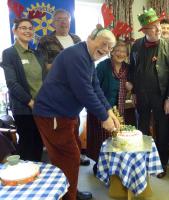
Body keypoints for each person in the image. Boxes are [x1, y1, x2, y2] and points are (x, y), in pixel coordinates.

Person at [33, 28, 120, 200]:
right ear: (90, 38)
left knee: (71, 155)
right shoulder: (76, 56)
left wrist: (109, 111)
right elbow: (84, 92)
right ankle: (67, 196)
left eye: (110, 48)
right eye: (104, 44)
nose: (106, 50)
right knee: (68, 158)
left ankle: (70, 190)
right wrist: (104, 118)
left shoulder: (88, 58)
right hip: (53, 115)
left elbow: (95, 86)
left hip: (66, 115)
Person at [37, 9, 90, 167]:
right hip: (58, 93)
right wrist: (66, 63)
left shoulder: (77, 39)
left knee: (75, 123)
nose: (63, 22)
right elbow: (43, 66)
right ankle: (63, 160)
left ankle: (77, 154)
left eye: (66, 19)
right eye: (59, 19)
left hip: (76, 89)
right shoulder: (45, 40)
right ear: (53, 22)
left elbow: (85, 62)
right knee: (62, 127)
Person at [128, 8, 169, 178]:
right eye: (153, 27)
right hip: (141, 94)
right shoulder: (136, 45)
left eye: (158, 26)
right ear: (145, 30)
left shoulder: (168, 47)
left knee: (163, 130)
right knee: (142, 128)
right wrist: (133, 91)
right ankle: (143, 161)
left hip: (161, 96)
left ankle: (161, 164)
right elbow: (132, 69)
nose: (158, 29)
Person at [1, 18, 44, 162]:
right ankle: (23, 179)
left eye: (30, 28)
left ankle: (36, 176)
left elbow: (44, 80)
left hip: (41, 107)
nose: (27, 31)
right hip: (24, 109)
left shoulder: (37, 53)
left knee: (39, 144)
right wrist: (30, 102)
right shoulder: (9, 53)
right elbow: (12, 84)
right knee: (27, 145)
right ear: (15, 31)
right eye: (23, 28)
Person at [87, 40, 129, 174]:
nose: (120, 54)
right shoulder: (102, 66)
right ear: (111, 52)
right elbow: (93, 87)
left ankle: (113, 165)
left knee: (115, 139)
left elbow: (133, 84)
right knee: (101, 139)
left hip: (119, 110)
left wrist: (131, 86)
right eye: (117, 50)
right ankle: (99, 164)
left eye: (123, 51)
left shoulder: (127, 68)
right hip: (101, 109)